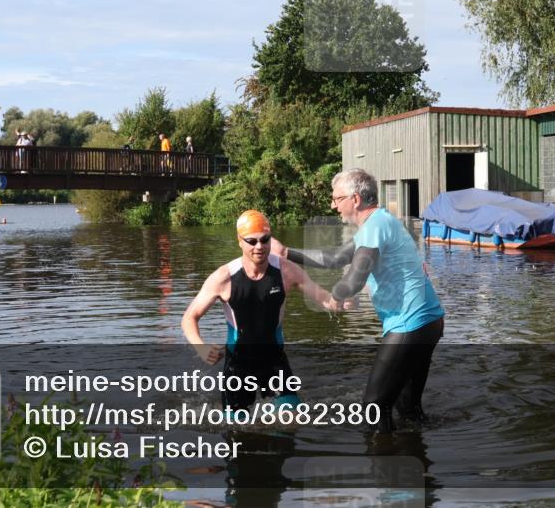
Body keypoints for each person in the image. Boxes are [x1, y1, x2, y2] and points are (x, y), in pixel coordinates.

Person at [271, 168, 444, 434]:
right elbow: (335, 258)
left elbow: (354, 280)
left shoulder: (375, 227)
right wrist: (286, 252)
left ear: (355, 199)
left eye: (336, 198)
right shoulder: (379, 223)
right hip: (428, 321)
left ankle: (381, 464)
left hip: (410, 324)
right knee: (407, 409)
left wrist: (336, 297)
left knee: (374, 406)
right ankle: (417, 463)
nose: (333, 205)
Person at [182, 210, 344, 411]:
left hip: (274, 359)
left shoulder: (286, 271)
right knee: (237, 430)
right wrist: (201, 346)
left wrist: (340, 301)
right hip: (238, 362)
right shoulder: (223, 277)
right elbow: (190, 317)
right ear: (240, 241)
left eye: (265, 240)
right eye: (252, 241)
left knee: (292, 420)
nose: (259, 246)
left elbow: (323, 298)